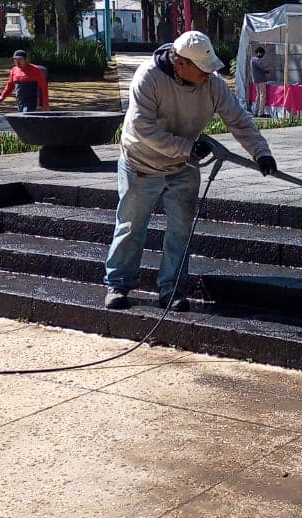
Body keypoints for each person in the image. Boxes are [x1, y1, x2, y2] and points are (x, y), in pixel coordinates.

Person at [103, 31, 278, 312]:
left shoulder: (213, 84)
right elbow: (142, 128)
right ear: (180, 63)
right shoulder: (148, 78)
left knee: (181, 231)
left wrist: (261, 152)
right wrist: (186, 147)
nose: (209, 74)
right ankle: (118, 286)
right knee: (131, 227)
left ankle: (171, 290)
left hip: (183, 167)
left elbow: (239, 120)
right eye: (202, 69)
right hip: (141, 165)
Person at [0, 48, 49, 112]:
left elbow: (44, 88)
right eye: (15, 59)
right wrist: (2, 97)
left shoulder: (36, 70)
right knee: (23, 118)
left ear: (26, 60)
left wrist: (45, 104)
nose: (17, 62)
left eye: (20, 59)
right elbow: (10, 86)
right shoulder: (14, 70)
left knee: (26, 115)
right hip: (20, 102)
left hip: (32, 102)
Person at [250, 45, 271, 117]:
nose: (262, 55)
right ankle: (260, 113)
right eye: (262, 54)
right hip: (260, 81)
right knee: (262, 96)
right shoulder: (257, 60)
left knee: (258, 96)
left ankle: (256, 112)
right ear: (259, 53)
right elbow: (263, 68)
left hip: (256, 81)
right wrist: (267, 70)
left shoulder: (252, 59)